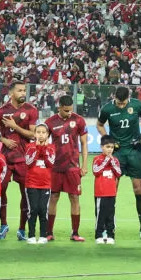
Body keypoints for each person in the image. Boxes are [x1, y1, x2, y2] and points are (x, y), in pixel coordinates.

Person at [97, 86, 141, 239]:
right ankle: (109, 227)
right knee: (111, 190)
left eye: (123, 103)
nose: (121, 105)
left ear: (128, 98)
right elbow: (99, 125)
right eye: (119, 103)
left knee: (138, 189)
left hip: (134, 152)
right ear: (114, 97)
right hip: (117, 153)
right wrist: (108, 139)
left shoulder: (137, 105)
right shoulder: (107, 108)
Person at [0, 79, 39, 241]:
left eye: (24, 90)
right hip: (5, 158)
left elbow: (33, 135)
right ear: (11, 93)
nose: (23, 93)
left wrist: (15, 126)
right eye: (19, 90)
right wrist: (4, 140)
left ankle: (22, 228)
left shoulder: (31, 110)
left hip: (24, 159)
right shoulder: (1, 111)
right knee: (0, 191)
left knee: (25, 194)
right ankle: (3, 224)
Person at [45, 95, 89, 242]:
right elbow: (43, 142)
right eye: (66, 110)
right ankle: (49, 232)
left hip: (72, 167)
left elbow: (84, 143)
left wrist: (84, 164)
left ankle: (75, 233)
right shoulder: (50, 122)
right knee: (53, 197)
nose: (69, 113)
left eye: (70, 110)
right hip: (55, 166)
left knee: (74, 198)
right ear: (59, 107)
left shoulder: (79, 120)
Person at [24, 123, 56, 244]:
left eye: (43, 132)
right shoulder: (29, 147)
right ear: (34, 134)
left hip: (45, 184)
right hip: (31, 184)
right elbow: (29, 163)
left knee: (43, 210)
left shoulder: (51, 148)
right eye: (38, 132)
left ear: (47, 135)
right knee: (33, 210)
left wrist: (44, 149)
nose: (41, 135)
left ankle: (43, 235)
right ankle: (31, 235)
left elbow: (50, 163)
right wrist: (37, 149)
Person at [93, 137, 124, 244]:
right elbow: (96, 171)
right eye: (107, 147)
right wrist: (106, 160)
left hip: (111, 192)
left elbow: (119, 173)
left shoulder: (115, 160)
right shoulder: (97, 159)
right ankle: (99, 235)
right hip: (101, 193)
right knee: (100, 215)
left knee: (111, 215)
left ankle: (111, 235)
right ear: (102, 147)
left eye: (111, 147)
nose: (110, 149)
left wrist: (113, 162)